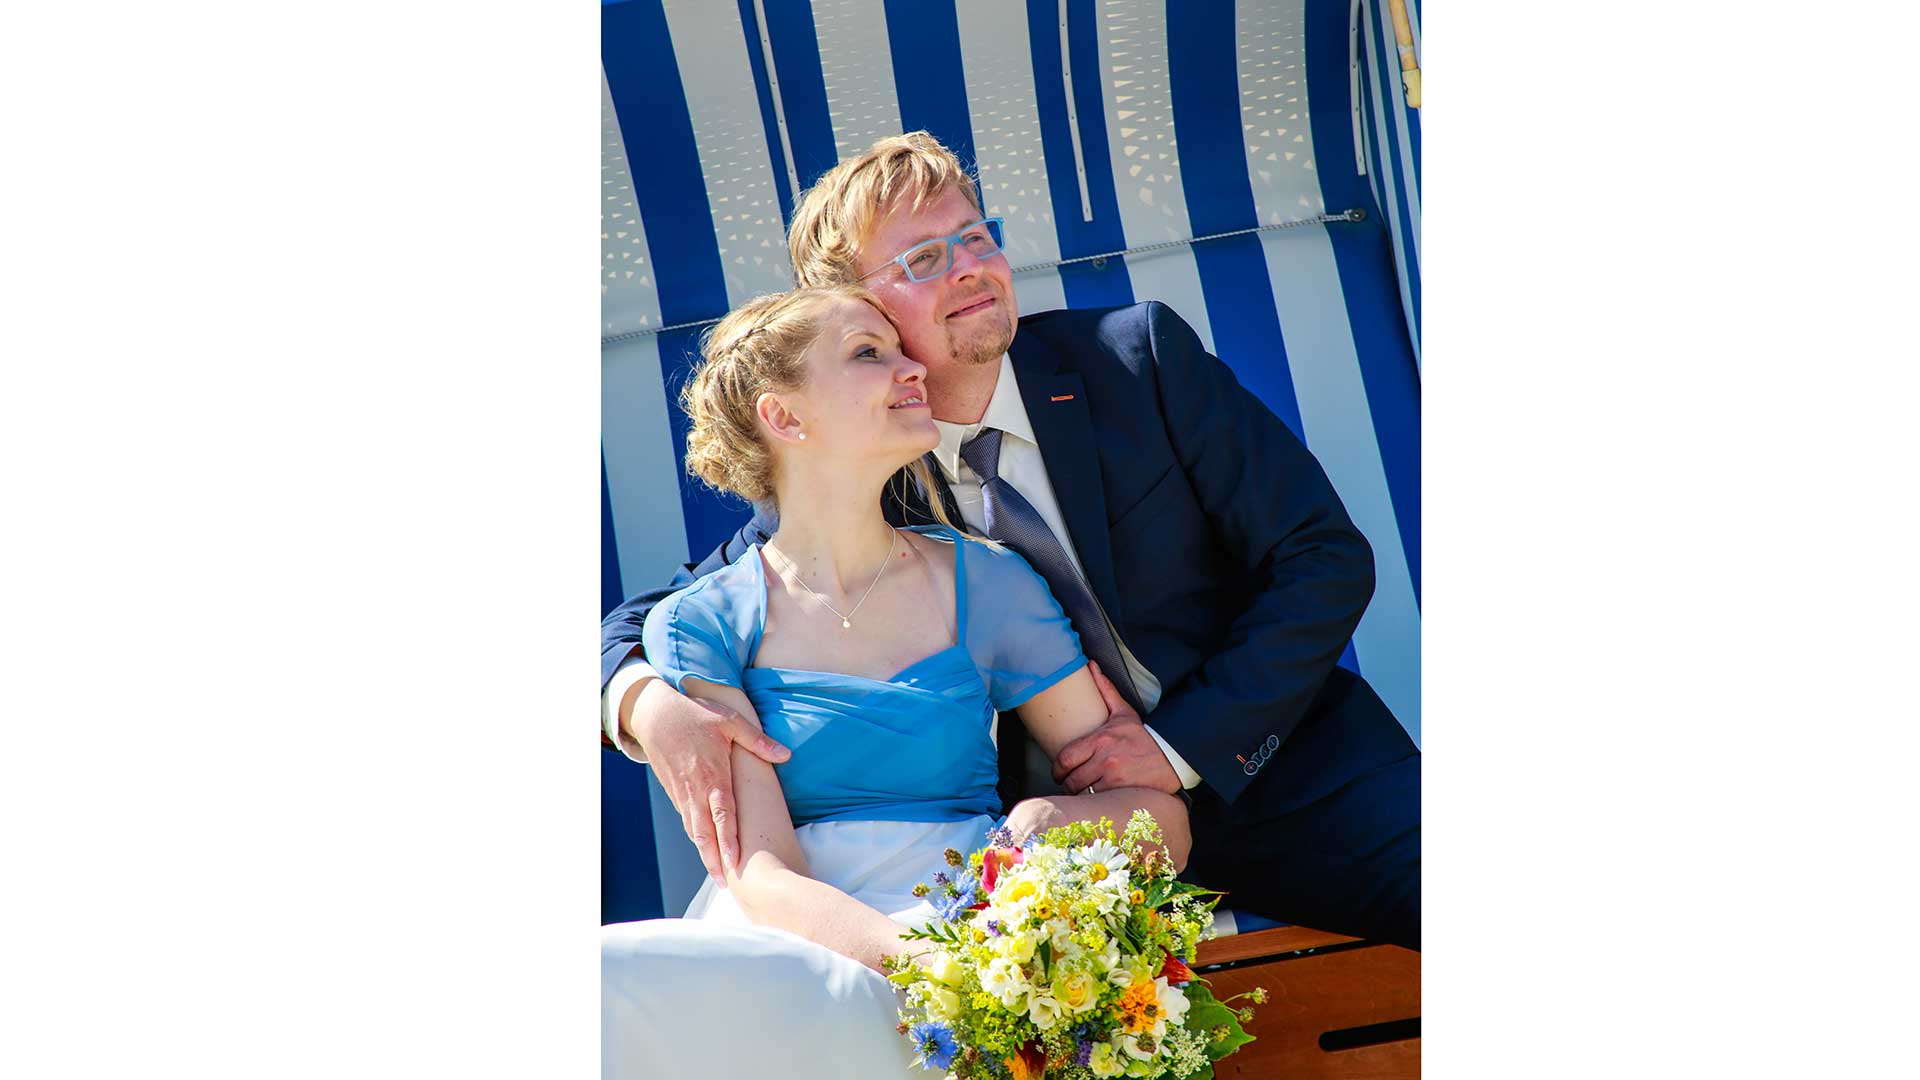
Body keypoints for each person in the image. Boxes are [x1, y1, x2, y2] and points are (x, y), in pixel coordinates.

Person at [604, 132, 1419, 950]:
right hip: (1046, 855)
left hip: (1287, 774)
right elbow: (651, 617)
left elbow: (1322, 557)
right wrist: (643, 703)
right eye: (924, 259)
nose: (968, 267)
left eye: (975, 237)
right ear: (857, 308)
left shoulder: (1136, 359)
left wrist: (1176, 750)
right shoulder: (859, 468)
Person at [600, 284, 1191, 1078]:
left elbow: (1162, 821)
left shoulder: (992, 583)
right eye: (868, 353)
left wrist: (1055, 824)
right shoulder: (701, 621)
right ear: (785, 417)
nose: (914, 368)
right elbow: (760, 874)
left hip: (975, 925)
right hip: (802, 946)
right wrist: (924, 964)